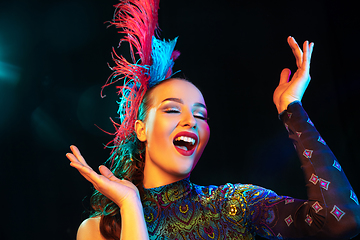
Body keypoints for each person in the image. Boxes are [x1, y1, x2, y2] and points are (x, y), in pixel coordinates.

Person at [66, 1, 360, 239]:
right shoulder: (100, 230)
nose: (190, 121)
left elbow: (340, 219)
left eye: (200, 114)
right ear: (141, 129)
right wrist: (130, 204)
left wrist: (292, 109)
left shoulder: (236, 205)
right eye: (172, 109)